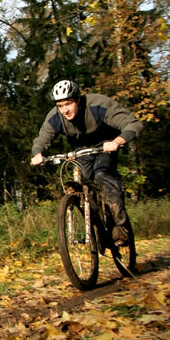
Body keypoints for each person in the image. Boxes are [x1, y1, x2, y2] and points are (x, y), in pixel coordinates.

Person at [30, 79, 143, 244]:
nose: (65, 110)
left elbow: (132, 123)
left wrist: (118, 141)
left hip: (106, 145)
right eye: (60, 106)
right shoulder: (55, 116)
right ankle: (95, 227)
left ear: (77, 99)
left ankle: (120, 227)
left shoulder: (98, 104)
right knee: (81, 187)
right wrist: (37, 153)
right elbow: (42, 138)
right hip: (81, 150)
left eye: (68, 104)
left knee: (103, 174)